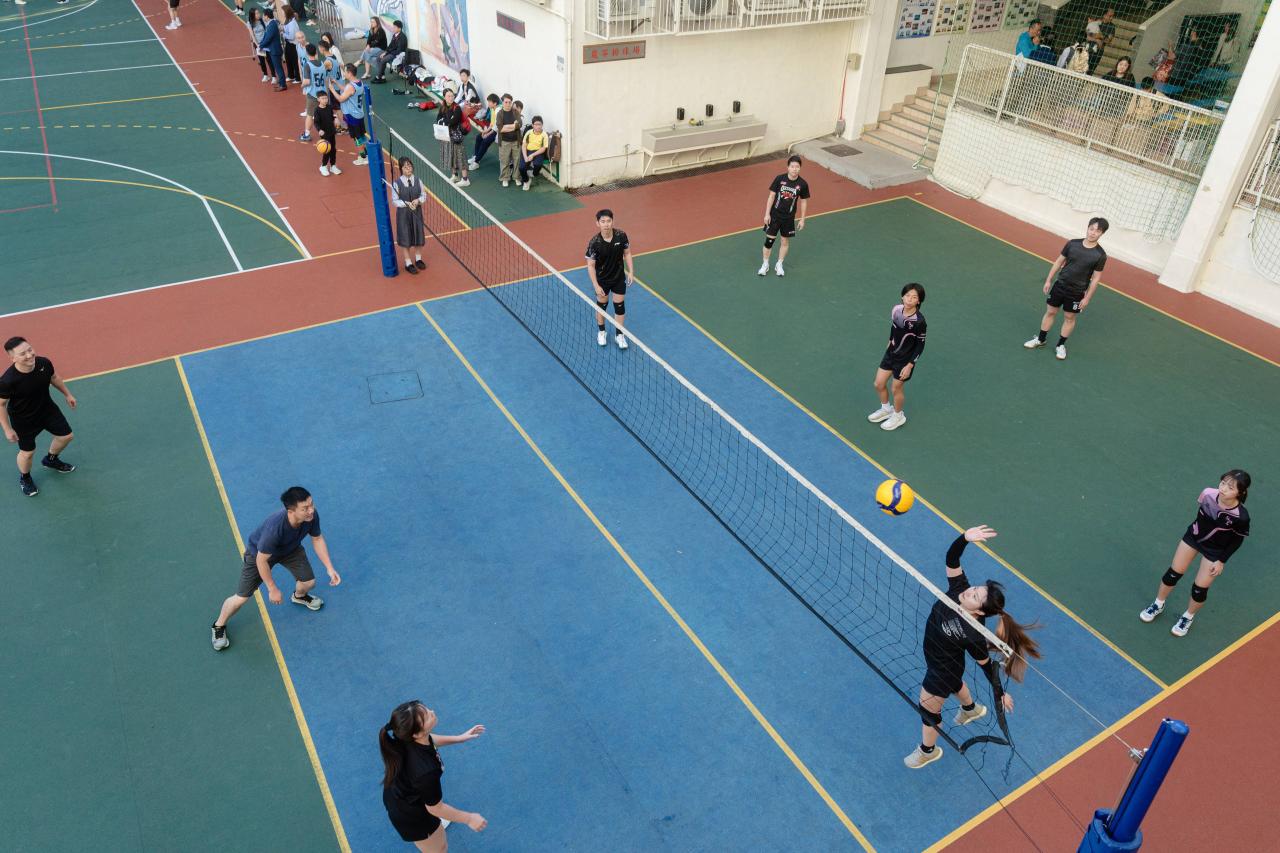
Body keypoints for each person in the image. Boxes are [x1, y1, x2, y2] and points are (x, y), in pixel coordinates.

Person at [905, 525, 1041, 769]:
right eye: (977, 588)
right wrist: (965, 538)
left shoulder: (974, 634)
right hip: (944, 660)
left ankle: (928, 751)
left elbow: (986, 665)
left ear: (979, 612)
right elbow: (952, 558)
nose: (970, 591)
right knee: (956, 683)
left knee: (928, 712)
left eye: (976, 596)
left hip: (941, 672)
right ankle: (971, 709)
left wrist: (999, 693)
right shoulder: (959, 588)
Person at [210, 486, 341, 651]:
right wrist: (272, 588)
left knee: (309, 582)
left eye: (311, 504)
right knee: (241, 598)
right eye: (305, 508)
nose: (311, 510)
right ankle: (218, 625)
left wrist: (329, 568)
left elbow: (317, 539)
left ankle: (299, 596)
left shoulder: (311, 516)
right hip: (259, 556)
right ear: (291, 511)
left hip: (290, 550)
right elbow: (261, 560)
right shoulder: (275, 528)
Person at [1139, 471, 1251, 637]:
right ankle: (1158, 604)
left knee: (1199, 590)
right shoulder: (1208, 494)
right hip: (1193, 537)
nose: (1223, 488)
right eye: (1223, 483)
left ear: (1240, 492)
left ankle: (1188, 617)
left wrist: (1221, 560)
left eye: (1230, 487)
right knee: (1172, 574)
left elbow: (1237, 541)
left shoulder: (1241, 517)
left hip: (1215, 550)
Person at [380, 700, 487, 850]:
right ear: (417, 733)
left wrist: (460, 738)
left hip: (406, 794)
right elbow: (435, 809)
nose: (432, 712)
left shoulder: (408, 738)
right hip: (411, 815)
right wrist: (469, 818)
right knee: (440, 848)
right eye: (427, 716)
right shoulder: (426, 772)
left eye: (426, 709)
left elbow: (430, 740)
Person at [0, 337, 77, 498]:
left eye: (30, 350)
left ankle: (50, 460)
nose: (29, 355)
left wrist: (67, 394)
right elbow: (1, 405)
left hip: (47, 410)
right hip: (24, 420)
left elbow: (54, 378)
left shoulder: (44, 363)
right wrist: (7, 429)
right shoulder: (7, 381)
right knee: (27, 453)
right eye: (22, 354)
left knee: (66, 436)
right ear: (13, 358)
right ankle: (25, 478)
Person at [1023, 217, 1108, 360]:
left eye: (1097, 231)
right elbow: (1058, 262)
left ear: (1102, 233)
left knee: (1069, 318)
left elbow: (1096, 279)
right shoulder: (1072, 244)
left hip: (1077, 292)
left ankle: (1060, 345)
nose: (1093, 233)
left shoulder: (1100, 255)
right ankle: (1041, 339)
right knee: (1051, 312)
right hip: (1060, 285)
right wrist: (1048, 280)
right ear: (1087, 228)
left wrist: (1087, 298)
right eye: (1091, 229)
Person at [867, 283, 927, 432]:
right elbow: (894, 326)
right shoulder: (896, 310)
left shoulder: (919, 322)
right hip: (891, 354)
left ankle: (898, 415)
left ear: (919, 301)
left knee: (896, 389)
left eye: (914, 297)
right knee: (879, 384)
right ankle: (886, 409)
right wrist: (890, 340)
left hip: (905, 360)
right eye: (907, 295)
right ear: (902, 296)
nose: (910, 299)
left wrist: (910, 365)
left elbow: (920, 345)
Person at [585, 209, 635, 350]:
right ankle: (602, 332)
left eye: (608, 221)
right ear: (597, 223)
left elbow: (627, 253)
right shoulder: (594, 243)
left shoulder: (621, 236)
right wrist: (596, 285)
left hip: (618, 278)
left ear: (612, 221)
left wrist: (631, 272)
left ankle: (619, 334)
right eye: (603, 221)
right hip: (602, 281)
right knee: (602, 307)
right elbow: (590, 266)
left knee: (619, 306)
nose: (606, 224)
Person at [758, 155, 810, 277]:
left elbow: (803, 201)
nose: (794, 169)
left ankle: (779, 264)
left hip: (789, 218)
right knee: (769, 241)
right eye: (792, 166)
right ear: (788, 167)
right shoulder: (779, 179)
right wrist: (767, 214)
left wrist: (802, 219)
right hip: (774, 216)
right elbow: (771, 196)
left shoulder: (802, 184)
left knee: (784, 241)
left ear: (800, 168)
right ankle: (765, 264)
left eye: (797, 167)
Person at [393, 157, 428, 274]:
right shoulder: (397, 183)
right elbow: (395, 201)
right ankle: (408, 263)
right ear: (401, 169)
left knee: (418, 234)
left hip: (416, 212)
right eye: (405, 167)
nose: (408, 168)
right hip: (404, 215)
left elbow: (423, 195)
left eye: (409, 166)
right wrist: (406, 203)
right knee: (405, 236)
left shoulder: (418, 180)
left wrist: (418, 201)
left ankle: (418, 259)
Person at [331, 64, 369, 166]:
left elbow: (340, 99)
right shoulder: (359, 82)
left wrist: (332, 89)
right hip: (359, 114)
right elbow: (346, 90)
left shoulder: (350, 86)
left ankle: (363, 158)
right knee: (361, 136)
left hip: (352, 116)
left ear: (349, 73)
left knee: (357, 138)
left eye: (345, 71)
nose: (344, 73)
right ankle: (365, 154)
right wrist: (336, 83)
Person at [436, 88, 470, 187]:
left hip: (456, 136)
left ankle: (465, 179)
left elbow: (454, 121)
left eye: (452, 96)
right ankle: (455, 175)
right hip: (446, 135)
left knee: (460, 157)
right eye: (448, 96)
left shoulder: (457, 108)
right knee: (450, 155)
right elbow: (438, 119)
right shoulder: (443, 107)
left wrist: (444, 121)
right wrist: (445, 120)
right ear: (444, 97)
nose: (451, 98)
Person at [299, 42, 327, 142]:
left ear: (307, 53)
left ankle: (306, 134)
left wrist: (302, 85)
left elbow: (307, 81)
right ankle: (327, 132)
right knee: (324, 113)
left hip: (313, 94)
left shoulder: (308, 65)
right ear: (316, 53)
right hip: (323, 93)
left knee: (310, 115)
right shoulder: (322, 64)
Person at [468, 94, 500, 170]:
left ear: (495, 103)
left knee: (485, 142)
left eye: (489, 102)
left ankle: (476, 162)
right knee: (479, 137)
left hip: (499, 132)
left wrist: (488, 134)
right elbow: (492, 123)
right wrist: (485, 131)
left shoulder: (498, 111)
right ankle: (476, 156)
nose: (488, 103)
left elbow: (496, 127)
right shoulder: (492, 109)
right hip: (493, 129)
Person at [495, 93, 520, 188]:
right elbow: (500, 129)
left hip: (516, 141)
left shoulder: (515, 112)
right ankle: (505, 178)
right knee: (504, 160)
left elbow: (519, 124)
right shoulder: (500, 114)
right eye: (506, 102)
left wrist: (507, 126)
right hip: (504, 141)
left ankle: (516, 177)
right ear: (502, 102)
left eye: (510, 102)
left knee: (517, 160)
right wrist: (513, 126)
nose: (508, 104)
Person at [314, 89, 341, 176]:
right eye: (323, 98)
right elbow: (316, 122)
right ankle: (323, 166)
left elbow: (332, 116)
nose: (325, 100)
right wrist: (319, 130)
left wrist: (336, 118)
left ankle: (333, 166)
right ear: (318, 99)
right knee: (327, 150)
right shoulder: (317, 110)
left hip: (332, 132)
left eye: (326, 98)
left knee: (333, 150)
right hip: (324, 134)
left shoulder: (329, 107)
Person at [372, 19, 408, 84]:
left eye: (395, 27)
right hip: (392, 52)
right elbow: (390, 46)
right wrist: (385, 52)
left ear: (399, 28)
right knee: (378, 58)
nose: (393, 28)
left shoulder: (402, 37)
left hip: (398, 54)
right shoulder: (394, 35)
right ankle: (382, 77)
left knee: (383, 60)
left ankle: (378, 77)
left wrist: (388, 53)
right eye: (393, 27)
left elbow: (399, 51)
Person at [518, 116, 549, 190]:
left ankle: (533, 173)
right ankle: (526, 181)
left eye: (540, 124)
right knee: (521, 168)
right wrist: (525, 156)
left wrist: (532, 155)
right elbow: (524, 145)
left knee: (538, 165)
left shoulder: (544, 135)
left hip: (538, 152)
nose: (538, 126)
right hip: (528, 151)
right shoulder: (529, 133)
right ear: (532, 125)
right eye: (536, 124)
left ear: (542, 125)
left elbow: (543, 148)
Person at [261, 10, 286, 91]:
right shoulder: (272, 24)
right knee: (278, 67)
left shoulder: (272, 25)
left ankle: (283, 85)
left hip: (275, 50)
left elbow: (268, 38)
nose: (263, 17)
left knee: (278, 68)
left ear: (267, 16)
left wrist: (261, 45)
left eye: (263, 15)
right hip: (274, 49)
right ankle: (281, 82)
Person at [248, 8, 272, 83]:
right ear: (253, 15)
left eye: (258, 13)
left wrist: (265, 42)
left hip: (265, 43)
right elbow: (252, 35)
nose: (258, 14)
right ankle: (265, 75)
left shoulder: (262, 20)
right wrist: (257, 45)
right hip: (258, 44)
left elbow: (267, 30)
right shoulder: (249, 23)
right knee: (261, 60)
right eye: (256, 13)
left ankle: (273, 75)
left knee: (269, 59)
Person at [281, 5, 301, 83]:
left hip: (294, 44)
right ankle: (291, 75)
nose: (282, 13)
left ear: (287, 12)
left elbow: (291, 36)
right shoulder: (288, 20)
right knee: (288, 59)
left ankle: (298, 78)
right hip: (289, 43)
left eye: (283, 11)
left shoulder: (292, 23)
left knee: (294, 61)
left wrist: (283, 34)